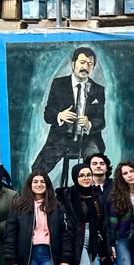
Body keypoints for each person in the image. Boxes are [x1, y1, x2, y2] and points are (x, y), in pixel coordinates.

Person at [32, 46, 107, 177]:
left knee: (96, 163)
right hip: (62, 136)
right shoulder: (58, 84)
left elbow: (101, 121)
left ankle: (93, 189)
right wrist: (60, 115)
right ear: (73, 64)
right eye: (82, 62)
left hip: (89, 139)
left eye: (90, 64)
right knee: (38, 169)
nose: (86, 67)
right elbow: (48, 114)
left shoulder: (98, 89)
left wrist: (89, 124)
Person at [87, 152, 115, 265]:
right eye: (94, 163)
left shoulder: (115, 187)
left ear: (106, 167)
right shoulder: (84, 188)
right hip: (89, 238)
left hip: (110, 237)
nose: (98, 166)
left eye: (101, 163)